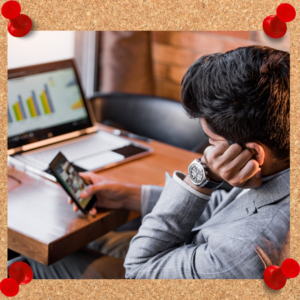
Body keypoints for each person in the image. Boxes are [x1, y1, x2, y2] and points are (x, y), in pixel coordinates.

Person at [24, 45, 290, 279]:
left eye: (211, 141)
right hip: (191, 250)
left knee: (31, 265)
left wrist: (204, 174)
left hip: (155, 270)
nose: (208, 151)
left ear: (254, 153)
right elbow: (232, 211)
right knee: (100, 240)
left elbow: (138, 271)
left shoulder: (245, 253)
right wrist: (129, 196)